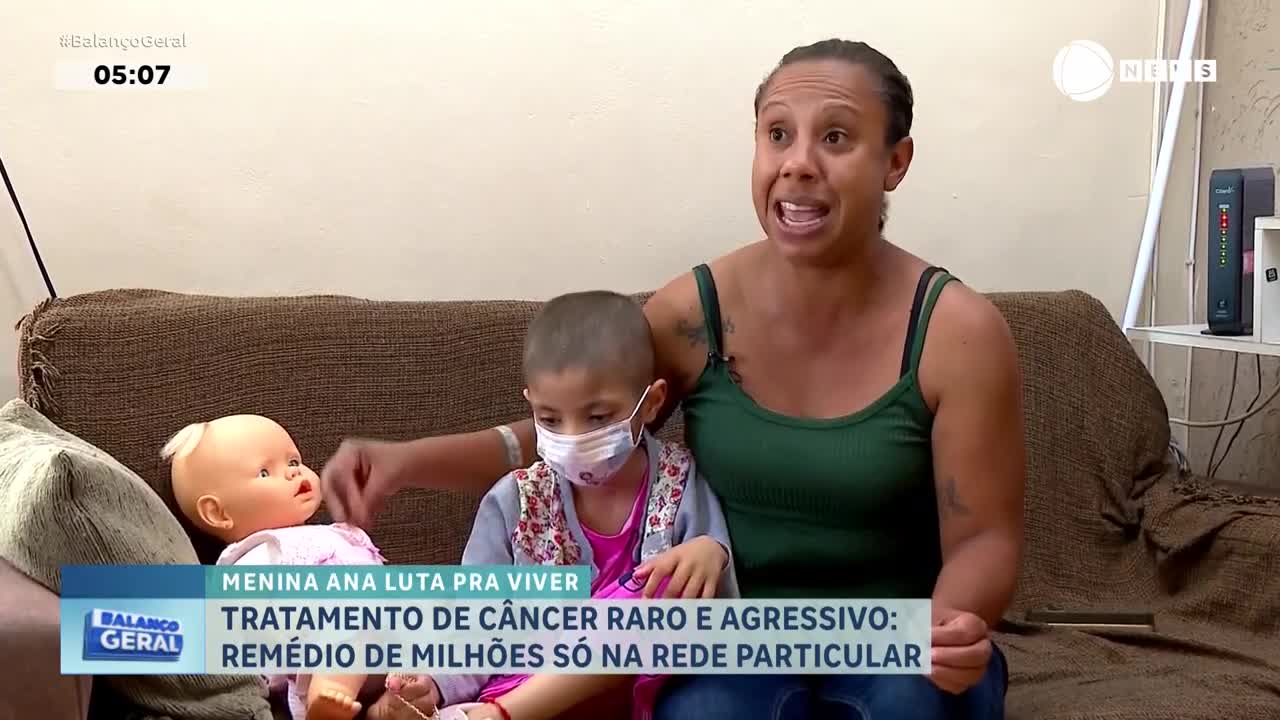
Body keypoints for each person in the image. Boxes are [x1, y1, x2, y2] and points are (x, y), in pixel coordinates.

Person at [333, 38, 1023, 720]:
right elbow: (584, 427)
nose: (798, 164)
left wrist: (948, 627)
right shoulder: (695, 311)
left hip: (891, 637)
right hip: (731, 642)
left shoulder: (955, 332)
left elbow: (984, 537)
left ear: (895, 162)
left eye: (836, 138)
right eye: (777, 135)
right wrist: (405, 462)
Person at [368, 290, 738, 720]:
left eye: (597, 417)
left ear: (651, 403)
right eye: (550, 419)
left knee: (658, 591)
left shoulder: (679, 482)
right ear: (530, 405)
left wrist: (712, 553)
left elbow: (713, 619)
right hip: (528, 685)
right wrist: (434, 683)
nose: (574, 435)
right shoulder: (515, 501)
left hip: (642, 689)